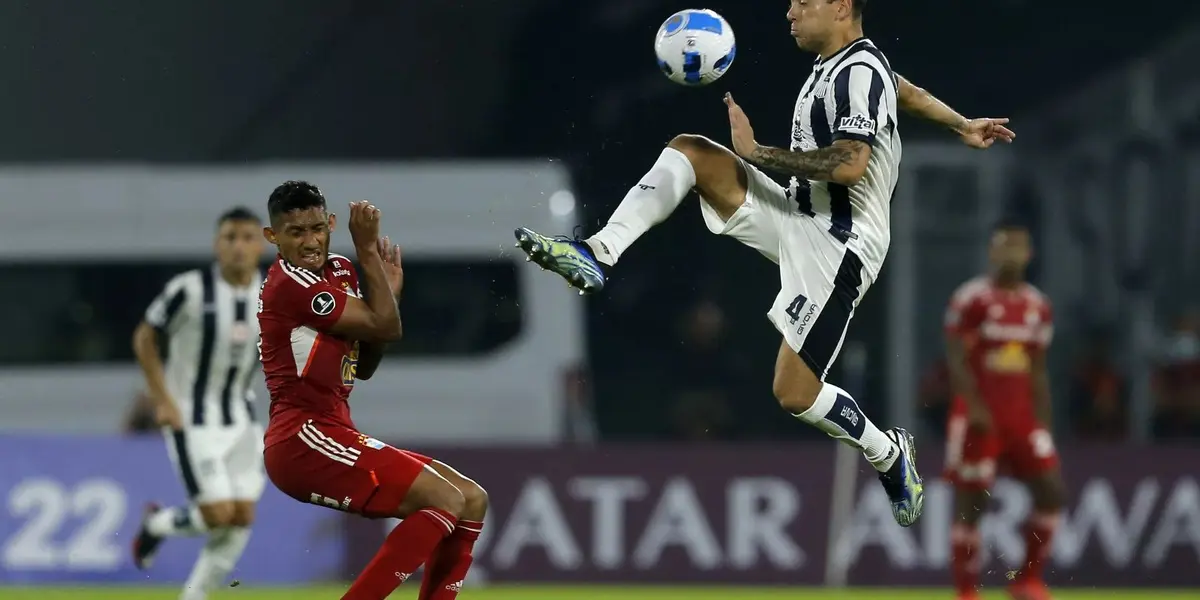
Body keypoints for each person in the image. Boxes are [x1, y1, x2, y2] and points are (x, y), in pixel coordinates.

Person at [512, 0, 1014, 527]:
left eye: (803, 2)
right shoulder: (855, 67)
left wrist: (760, 153)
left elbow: (851, 164)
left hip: (841, 245)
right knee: (691, 153)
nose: (790, 12)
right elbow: (900, 89)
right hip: (799, 214)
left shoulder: (859, 69)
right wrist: (959, 121)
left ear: (842, 6)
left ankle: (888, 453)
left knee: (794, 392)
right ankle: (596, 253)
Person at [256, 181, 486, 600]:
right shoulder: (289, 285)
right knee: (443, 499)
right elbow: (389, 326)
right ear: (273, 237)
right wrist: (369, 253)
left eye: (315, 229)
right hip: (302, 438)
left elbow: (364, 366)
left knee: (471, 498)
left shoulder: (339, 272)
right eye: (295, 233)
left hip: (333, 429)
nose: (309, 242)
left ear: (329, 224)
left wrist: (385, 293)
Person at [130, 208, 267, 600]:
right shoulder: (189, 289)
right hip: (190, 415)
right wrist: (162, 400)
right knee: (217, 514)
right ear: (216, 244)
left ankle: (195, 595)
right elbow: (144, 338)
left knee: (242, 515)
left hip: (241, 414)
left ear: (260, 244)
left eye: (246, 237)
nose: (238, 246)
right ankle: (156, 525)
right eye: (230, 237)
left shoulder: (271, 293)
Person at [943, 221, 1064, 600]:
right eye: (1003, 246)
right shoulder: (972, 299)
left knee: (1052, 491)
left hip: (1022, 416)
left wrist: (1043, 419)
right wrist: (973, 407)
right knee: (972, 501)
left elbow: (1038, 367)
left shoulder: (1038, 306)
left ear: (1029, 254)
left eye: (1018, 246)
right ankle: (966, 591)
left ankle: (1028, 579)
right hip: (979, 415)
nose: (1010, 253)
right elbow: (956, 358)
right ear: (991, 252)